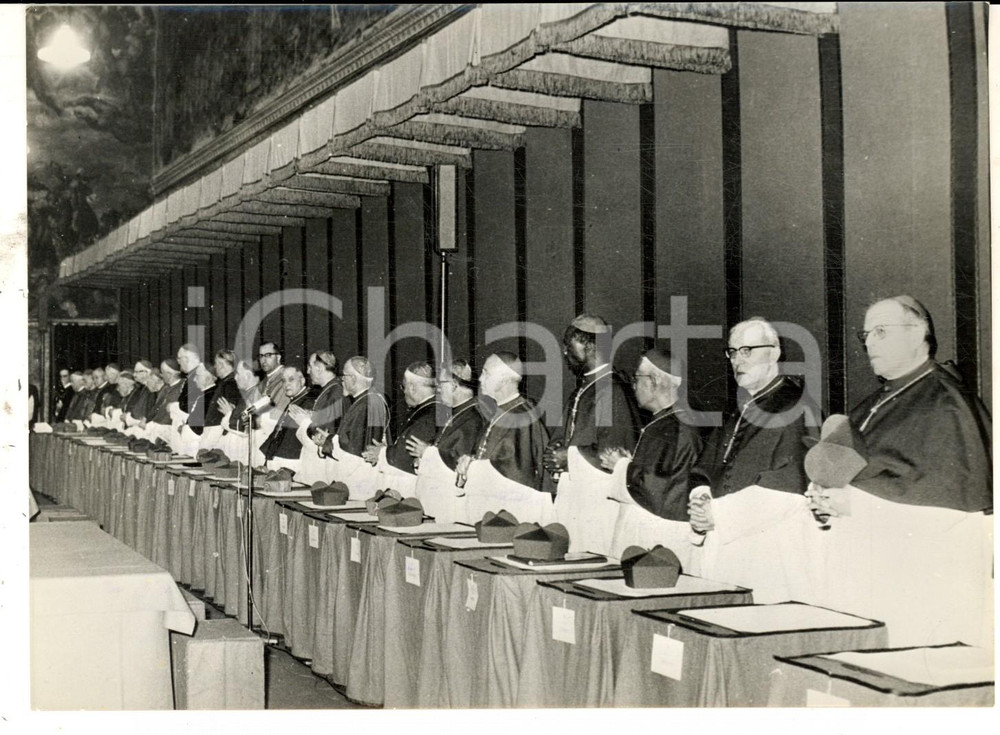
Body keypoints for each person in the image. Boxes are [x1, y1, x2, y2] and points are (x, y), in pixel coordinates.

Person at [807, 296, 993, 646]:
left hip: (919, 580)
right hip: (874, 567)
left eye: (881, 331)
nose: (870, 343)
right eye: (866, 335)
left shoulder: (946, 401)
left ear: (918, 332)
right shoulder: (874, 402)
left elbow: (955, 512)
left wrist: (853, 504)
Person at [687, 316, 821, 602]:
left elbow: (788, 489)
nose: (738, 360)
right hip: (729, 545)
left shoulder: (794, 406)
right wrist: (700, 500)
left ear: (774, 352)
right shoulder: (742, 407)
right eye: (733, 352)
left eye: (747, 350)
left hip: (769, 552)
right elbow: (706, 467)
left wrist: (718, 515)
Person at [548, 314, 641, 554]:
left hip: (599, 503)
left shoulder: (612, 390)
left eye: (569, 347)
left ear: (588, 345)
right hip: (576, 497)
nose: (565, 353)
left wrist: (567, 457)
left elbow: (615, 454)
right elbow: (564, 437)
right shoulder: (583, 389)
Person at [601, 348, 703, 564]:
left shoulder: (681, 425)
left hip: (663, 536)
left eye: (637, 378)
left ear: (655, 380)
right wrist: (629, 463)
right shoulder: (663, 421)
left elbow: (662, 489)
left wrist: (621, 466)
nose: (634, 385)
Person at [457, 352, 552, 524]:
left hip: (508, 516)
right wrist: (469, 462)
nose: (480, 379)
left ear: (503, 380)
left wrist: (473, 468)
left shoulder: (522, 416)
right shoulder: (501, 411)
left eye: (486, 373)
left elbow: (515, 472)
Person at [409, 360, 487, 522]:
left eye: (440, 384)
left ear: (452, 385)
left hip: (450, 506)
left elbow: (458, 465)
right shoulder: (457, 413)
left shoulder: (472, 419)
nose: (437, 389)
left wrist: (427, 453)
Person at [366, 361, 440, 498]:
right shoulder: (428, 409)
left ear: (412, 387)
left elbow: (407, 454)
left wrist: (382, 452)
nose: (404, 392)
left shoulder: (429, 414)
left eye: (404, 387)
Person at [321, 356, 389, 498]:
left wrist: (327, 440)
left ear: (352, 378)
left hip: (359, 484)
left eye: (344, 376)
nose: (342, 380)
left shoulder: (367, 404)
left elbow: (355, 452)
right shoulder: (366, 400)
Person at [289, 350, 345, 483]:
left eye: (310, 367)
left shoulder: (334, 392)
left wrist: (305, 422)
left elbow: (322, 436)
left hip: (322, 466)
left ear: (319, 369)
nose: (308, 371)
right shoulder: (329, 390)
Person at [259, 365, 316, 476]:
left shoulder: (308, 401)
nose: (286, 384)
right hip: (280, 459)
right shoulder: (295, 399)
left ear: (302, 381)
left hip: (291, 462)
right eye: (283, 381)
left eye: (291, 379)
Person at [217, 360, 268, 466]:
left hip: (245, 452)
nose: (235, 378)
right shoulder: (249, 394)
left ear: (248, 375)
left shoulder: (257, 396)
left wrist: (229, 414)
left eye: (238, 374)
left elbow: (242, 426)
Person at [147, 359, 184, 446]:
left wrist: (158, 424)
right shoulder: (166, 388)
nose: (161, 375)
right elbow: (157, 408)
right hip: (160, 426)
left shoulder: (182, 388)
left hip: (171, 428)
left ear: (169, 374)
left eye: (163, 372)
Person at [258, 341, 289, 416]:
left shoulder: (286, 378)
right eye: (261, 356)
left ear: (278, 357)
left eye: (268, 355)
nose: (264, 360)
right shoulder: (263, 382)